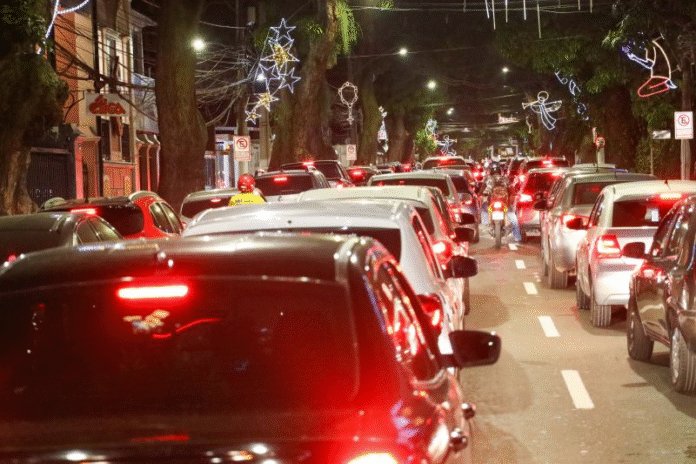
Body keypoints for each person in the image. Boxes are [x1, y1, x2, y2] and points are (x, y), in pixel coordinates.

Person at [480, 166, 522, 243]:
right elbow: (512, 189)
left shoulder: (487, 179)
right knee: (513, 217)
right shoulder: (505, 179)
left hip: (492, 203)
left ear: (490, 172)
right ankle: (517, 237)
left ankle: (485, 225)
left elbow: (482, 190)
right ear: (500, 171)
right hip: (504, 202)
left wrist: (479, 194)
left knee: (484, 209)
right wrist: (514, 195)